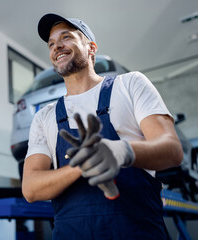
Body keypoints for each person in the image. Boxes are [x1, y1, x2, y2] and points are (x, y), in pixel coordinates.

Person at [22, 13, 183, 239]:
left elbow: (172, 149)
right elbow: (30, 188)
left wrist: (122, 151)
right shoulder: (44, 117)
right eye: (51, 43)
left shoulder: (129, 84)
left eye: (66, 37)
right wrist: (82, 165)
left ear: (91, 47)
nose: (57, 46)